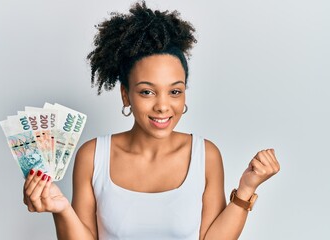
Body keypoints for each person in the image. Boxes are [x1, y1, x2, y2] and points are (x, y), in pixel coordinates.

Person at [23, 2, 280, 239]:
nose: (162, 106)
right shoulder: (93, 156)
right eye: (147, 91)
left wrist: (247, 187)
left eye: (175, 91)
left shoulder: (206, 155)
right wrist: (61, 209)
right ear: (126, 94)